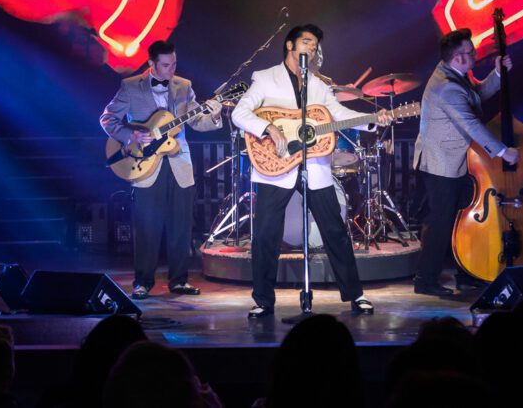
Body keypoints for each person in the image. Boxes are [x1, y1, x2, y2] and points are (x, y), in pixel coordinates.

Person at [231, 24, 392, 318]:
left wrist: (372, 119)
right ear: (290, 46)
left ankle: (355, 295)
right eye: (307, 42)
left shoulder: (317, 84)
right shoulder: (266, 79)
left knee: (335, 230)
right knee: (266, 235)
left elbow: (338, 116)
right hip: (275, 165)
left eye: (315, 45)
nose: (312, 48)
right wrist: (267, 128)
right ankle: (263, 300)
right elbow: (239, 113)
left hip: (314, 165)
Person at [101, 40, 223, 299]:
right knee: (147, 226)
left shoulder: (184, 86)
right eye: (166, 65)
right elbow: (108, 118)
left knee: (181, 225)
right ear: (151, 64)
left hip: (179, 162)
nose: (171, 69)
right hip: (144, 164)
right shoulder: (130, 86)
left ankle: (179, 280)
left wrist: (213, 114)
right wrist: (130, 135)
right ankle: (142, 282)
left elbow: (198, 122)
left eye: (174, 63)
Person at [412, 28, 517, 296]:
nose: (475, 56)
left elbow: (476, 96)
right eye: (471, 53)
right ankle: (425, 281)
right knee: (441, 222)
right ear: (458, 58)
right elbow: (470, 123)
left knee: (461, 219)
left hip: (456, 161)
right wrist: (503, 152)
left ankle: (465, 274)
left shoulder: (454, 73)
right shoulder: (446, 87)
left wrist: (496, 74)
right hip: (441, 163)